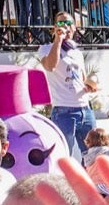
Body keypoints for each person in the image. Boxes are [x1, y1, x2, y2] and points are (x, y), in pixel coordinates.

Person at [38, 11, 97, 152]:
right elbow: (50, 66)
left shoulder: (76, 52)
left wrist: (90, 86)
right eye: (61, 23)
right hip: (63, 111)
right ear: (54, 27)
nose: (65, 26)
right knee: (64, 153)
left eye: (69, 23)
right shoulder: (45, 49)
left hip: (85, 109)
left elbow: (81, 79)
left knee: (93, 154)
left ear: (74, 27)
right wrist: (58, 39)